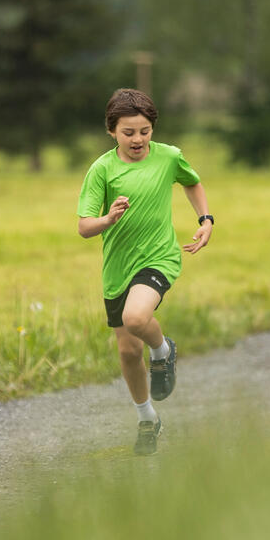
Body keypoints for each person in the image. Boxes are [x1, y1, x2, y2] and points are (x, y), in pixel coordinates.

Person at [77, 88, 212, 456]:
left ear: (153, 129)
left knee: (136, 318)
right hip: (117, 268)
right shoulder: (102, 169)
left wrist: (205, 219)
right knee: (127, 351)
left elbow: (192, 181)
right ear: (112, 132)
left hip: (159, 257)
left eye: (144, 131)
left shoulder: (169, 157)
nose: (138, 139)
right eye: (128, 133)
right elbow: (84, 226)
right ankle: (147, 418)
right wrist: (108, 218)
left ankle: (164, 351)